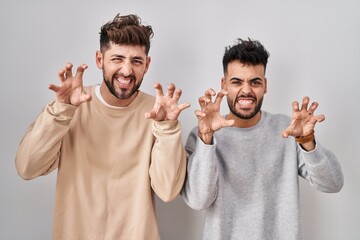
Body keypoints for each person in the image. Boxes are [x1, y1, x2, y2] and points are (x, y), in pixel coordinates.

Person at [15, 13, 189, 240]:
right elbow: (27, 167)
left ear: (146, 65)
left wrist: (167, 127)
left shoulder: (157, 112)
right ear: (100, 60)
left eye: (136, 61)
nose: (127, 71)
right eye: (117, 59)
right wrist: (61, 112)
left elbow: (167, 191)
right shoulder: (71, 104)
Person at [181, 38, 344, 240]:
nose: (246, 90)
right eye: (237, 82)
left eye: (255, 82)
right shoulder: (203, 134)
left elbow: (333, 183)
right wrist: (206, 140)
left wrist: (307, 142)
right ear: (224, 85)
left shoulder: (289, 131)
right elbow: (198, 201)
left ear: (265, 86)